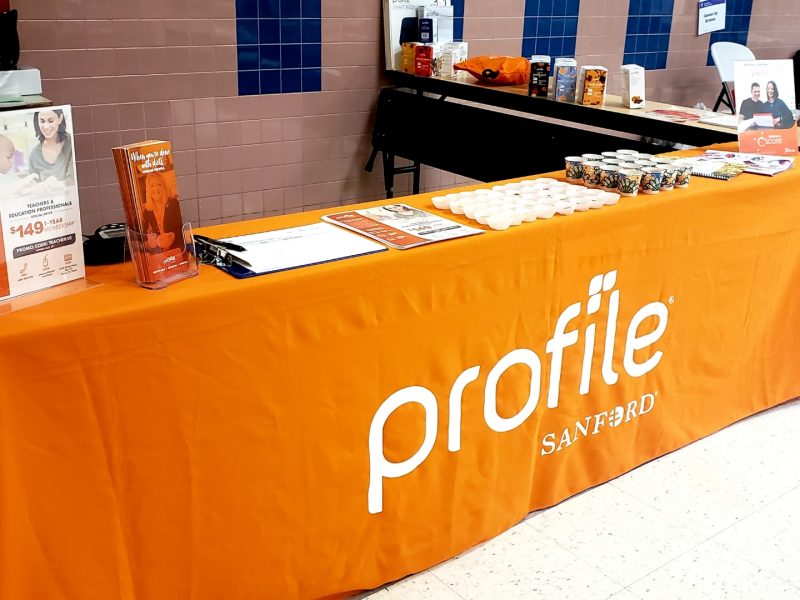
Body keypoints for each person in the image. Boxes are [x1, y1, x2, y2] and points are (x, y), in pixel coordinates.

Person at [140, 170, 184, 253]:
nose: (155, 189)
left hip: (177, 250)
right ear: (148, 189)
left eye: (159, 184)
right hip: (160, 254)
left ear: (164, 186)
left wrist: (173, 236)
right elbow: (144, 235)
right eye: (152, 185)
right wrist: (150, 241)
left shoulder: (174, 203)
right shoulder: (147, 211)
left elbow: (183, 227)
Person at [27, 108, 74, 182]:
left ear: (60, 118)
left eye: (51, 121)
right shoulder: (34, 154)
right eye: (42, 121)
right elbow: (33, 184)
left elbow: (73, 180)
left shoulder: (71, 143)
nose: (46, 127)